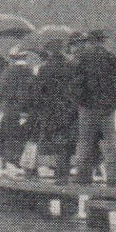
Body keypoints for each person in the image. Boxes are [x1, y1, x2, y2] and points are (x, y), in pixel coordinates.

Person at [71, 30, 116, 187]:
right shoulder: (113, 59)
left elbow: (76, 84)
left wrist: (79, 102)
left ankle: (83, 176)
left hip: (88, 107)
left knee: (85, 141)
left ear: (90, 41)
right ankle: (112, 177)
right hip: (108, 108)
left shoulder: (82, 59)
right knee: (109, 141)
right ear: (102, 41)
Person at [29, 36, 79, 181]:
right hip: (68, 108)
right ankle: (63, 171)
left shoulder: (45, 68)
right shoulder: (71, 65)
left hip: (50, 109)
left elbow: (38, 91)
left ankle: (34, 170)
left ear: (49, 51)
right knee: (66, 140)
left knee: (45, 139)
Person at [0, 48, 40, 167]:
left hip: (10, 108)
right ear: (24, 58)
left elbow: (0, 91)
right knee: (23, 135)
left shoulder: (8, 71)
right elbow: (34, 92)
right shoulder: (30, 72)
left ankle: (6, 160)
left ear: (13, 58)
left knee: (6, 134)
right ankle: (18, 161)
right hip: (26, 110)